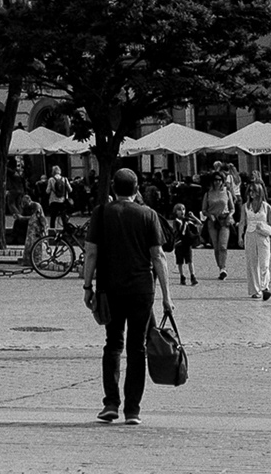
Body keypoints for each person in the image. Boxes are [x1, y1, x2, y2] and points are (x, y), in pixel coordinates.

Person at [83, 167, 173, 426]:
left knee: (112, 344)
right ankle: (132, 410)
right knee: (137, 348)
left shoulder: (101, 213)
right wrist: (166, 295)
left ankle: (111, 403)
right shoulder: (148, 215)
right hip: (141, 290)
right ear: (136, 190)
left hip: (110, 290)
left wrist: (88, 287)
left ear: (113, 188)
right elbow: (158, 257)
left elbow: (91, 252)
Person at [240, 179, 271, 300]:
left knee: (264, 263)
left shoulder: (266, 207)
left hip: (263, 235)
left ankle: (265, 287)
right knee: (252, 263)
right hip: (250, 234)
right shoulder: (246, 206)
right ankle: (255, 290)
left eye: (253, 191)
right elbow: (242, 222)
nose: (251, 193)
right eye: (250, 191)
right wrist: (240, 236)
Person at [201, 171, 234, 280]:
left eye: (219, 180)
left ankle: (223, 268)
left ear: (223, 181)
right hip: (213, 221)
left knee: (223, 246)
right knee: (216, 246)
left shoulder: (227, 192)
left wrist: (230, 215)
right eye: (215, 180)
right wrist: (210, 215)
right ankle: (220, 268)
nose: (217, 182)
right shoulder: (208, 194)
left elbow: (232, 208)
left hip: (224, 220)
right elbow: (204, 209)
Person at [167, 203, 201, 286]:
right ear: (175, 212)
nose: (182, 211)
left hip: (187, 243)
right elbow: (177, 232)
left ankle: (193, 276)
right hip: (179, 244)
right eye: (179, 210)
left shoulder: (188, 219)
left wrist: (193, 216)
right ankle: (182, 276)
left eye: (183, 209)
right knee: (180, 262)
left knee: (190, 261)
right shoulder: (176, 221)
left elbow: (199, 223)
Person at [44, 164, 72, 232]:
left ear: (53, 172)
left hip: (53, 201)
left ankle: (52, 231)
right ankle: (65, 231)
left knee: (53, 217)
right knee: (63, 218)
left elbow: (47, 191)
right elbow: (70, 190)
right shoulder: (64, 179)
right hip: (63, 201)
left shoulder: (51, 179)